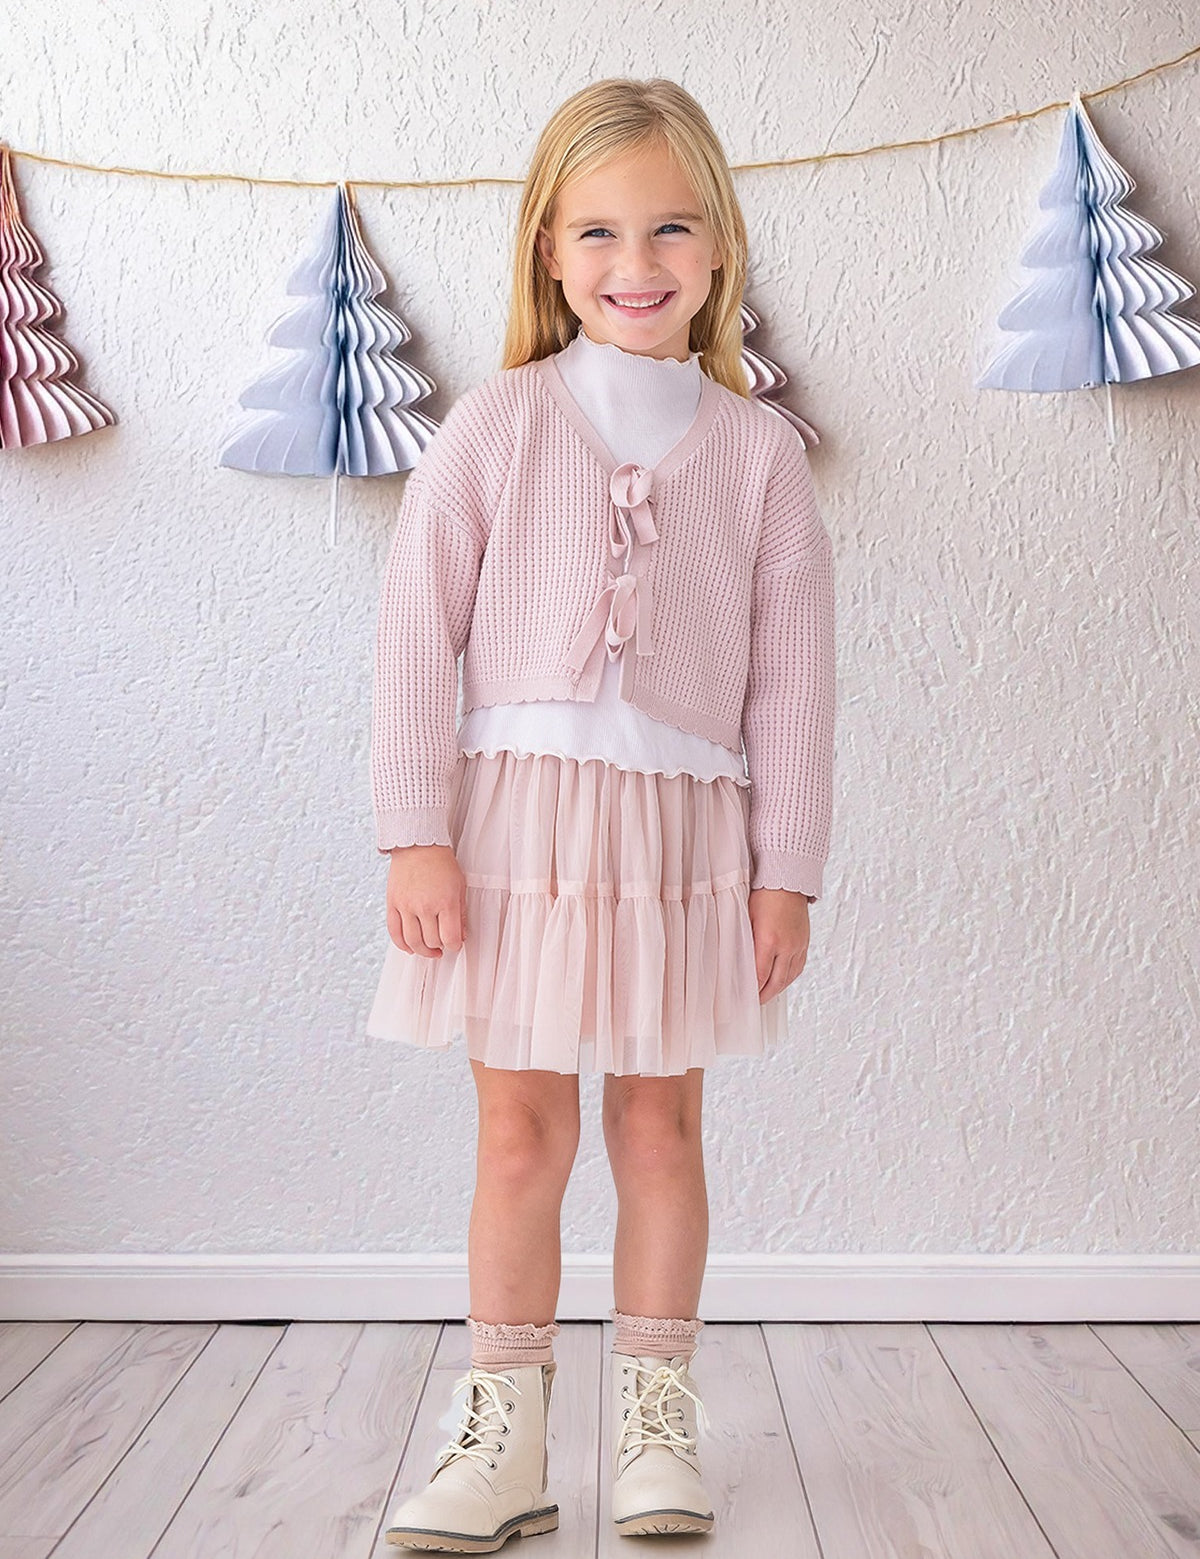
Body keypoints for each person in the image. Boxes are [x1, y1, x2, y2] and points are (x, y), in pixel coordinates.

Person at [369, 76, 836, 1553]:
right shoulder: (495, 426)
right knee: (520, 1133)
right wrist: (415, 831)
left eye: (672, 228)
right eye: (600, 233)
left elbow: (795, 674)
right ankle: (503, 1435)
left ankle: (654, 1424)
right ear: (549, 251)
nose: (638, 262)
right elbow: (413, 631)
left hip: (685, 839)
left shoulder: (759, 453)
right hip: (513, 831)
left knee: (662, 1125)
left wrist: (787, 869)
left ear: (721, 246)